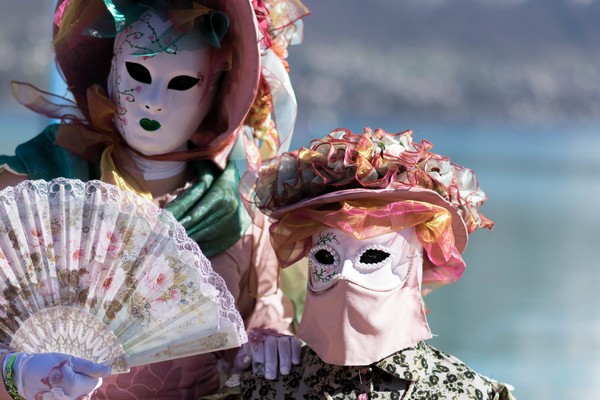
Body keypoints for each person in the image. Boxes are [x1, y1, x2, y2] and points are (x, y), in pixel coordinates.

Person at [0, 0, 308, 398]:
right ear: (111, 72)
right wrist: (15, 374)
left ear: (215, 93)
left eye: (181, 82)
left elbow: (255, 332)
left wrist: (269, 345)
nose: (153, 100)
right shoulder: (33, 184)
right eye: (138, 72)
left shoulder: (240, 213)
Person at [239, 127, 517, 399]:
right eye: (326, 257)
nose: (344, 274)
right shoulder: (267, 385)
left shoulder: (466, 393)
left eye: (372, 255)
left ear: (416, 261)